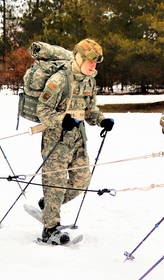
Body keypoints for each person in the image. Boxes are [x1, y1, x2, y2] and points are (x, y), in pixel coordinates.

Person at [34, 38, 114, 245]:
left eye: (95, 62)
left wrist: (101, 120)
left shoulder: (90, 80)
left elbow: (90, 110)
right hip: (56, 140)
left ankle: (49, 204)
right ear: (78, 57)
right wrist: (62, 120)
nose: (93, 66)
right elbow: (42, 111)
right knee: (55, 184)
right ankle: (50, 227)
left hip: (78, 139)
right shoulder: (59, 80)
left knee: (82, 181)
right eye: (89, 61)